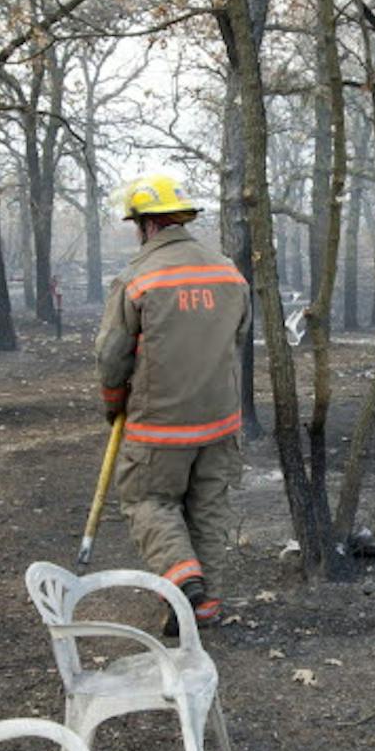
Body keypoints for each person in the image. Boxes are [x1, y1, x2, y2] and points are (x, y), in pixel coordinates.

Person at [96, 173, 249, 625]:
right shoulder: (228, 271)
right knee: (208, 509)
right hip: (220, 420)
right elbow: (238, 336)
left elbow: (111, 357)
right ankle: (204, 607)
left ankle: (182, 579)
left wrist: (113, 403)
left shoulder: (137, 279)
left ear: (145, 224)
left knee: (148, 501)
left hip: (159, 423)